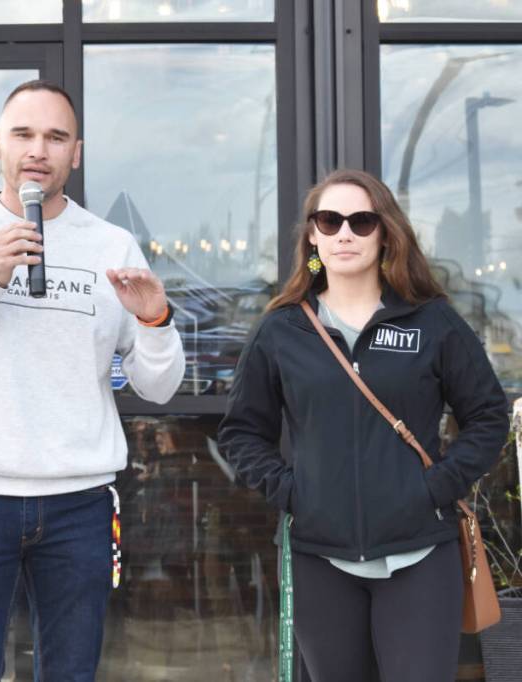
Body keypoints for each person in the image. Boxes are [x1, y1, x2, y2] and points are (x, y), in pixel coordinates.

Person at [0, 80, 185, 681]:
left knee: (72, 672)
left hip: (80, 501)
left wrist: (155, 320)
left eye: (55, 137)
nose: (37, 150)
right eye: (23, 134)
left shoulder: (111, 243)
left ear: (76, 153)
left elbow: (159, 387)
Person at [218, 169, 508, 682]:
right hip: (321, 559)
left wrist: (434, 487)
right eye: (329, 221)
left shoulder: (431, 322)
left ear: (385, 232)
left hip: (419, 554)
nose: (344, 233)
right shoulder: (282, 329)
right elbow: (242, 431)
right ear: (312, 236)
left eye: (361, 220)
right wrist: (294, 492)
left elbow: (487, 415)